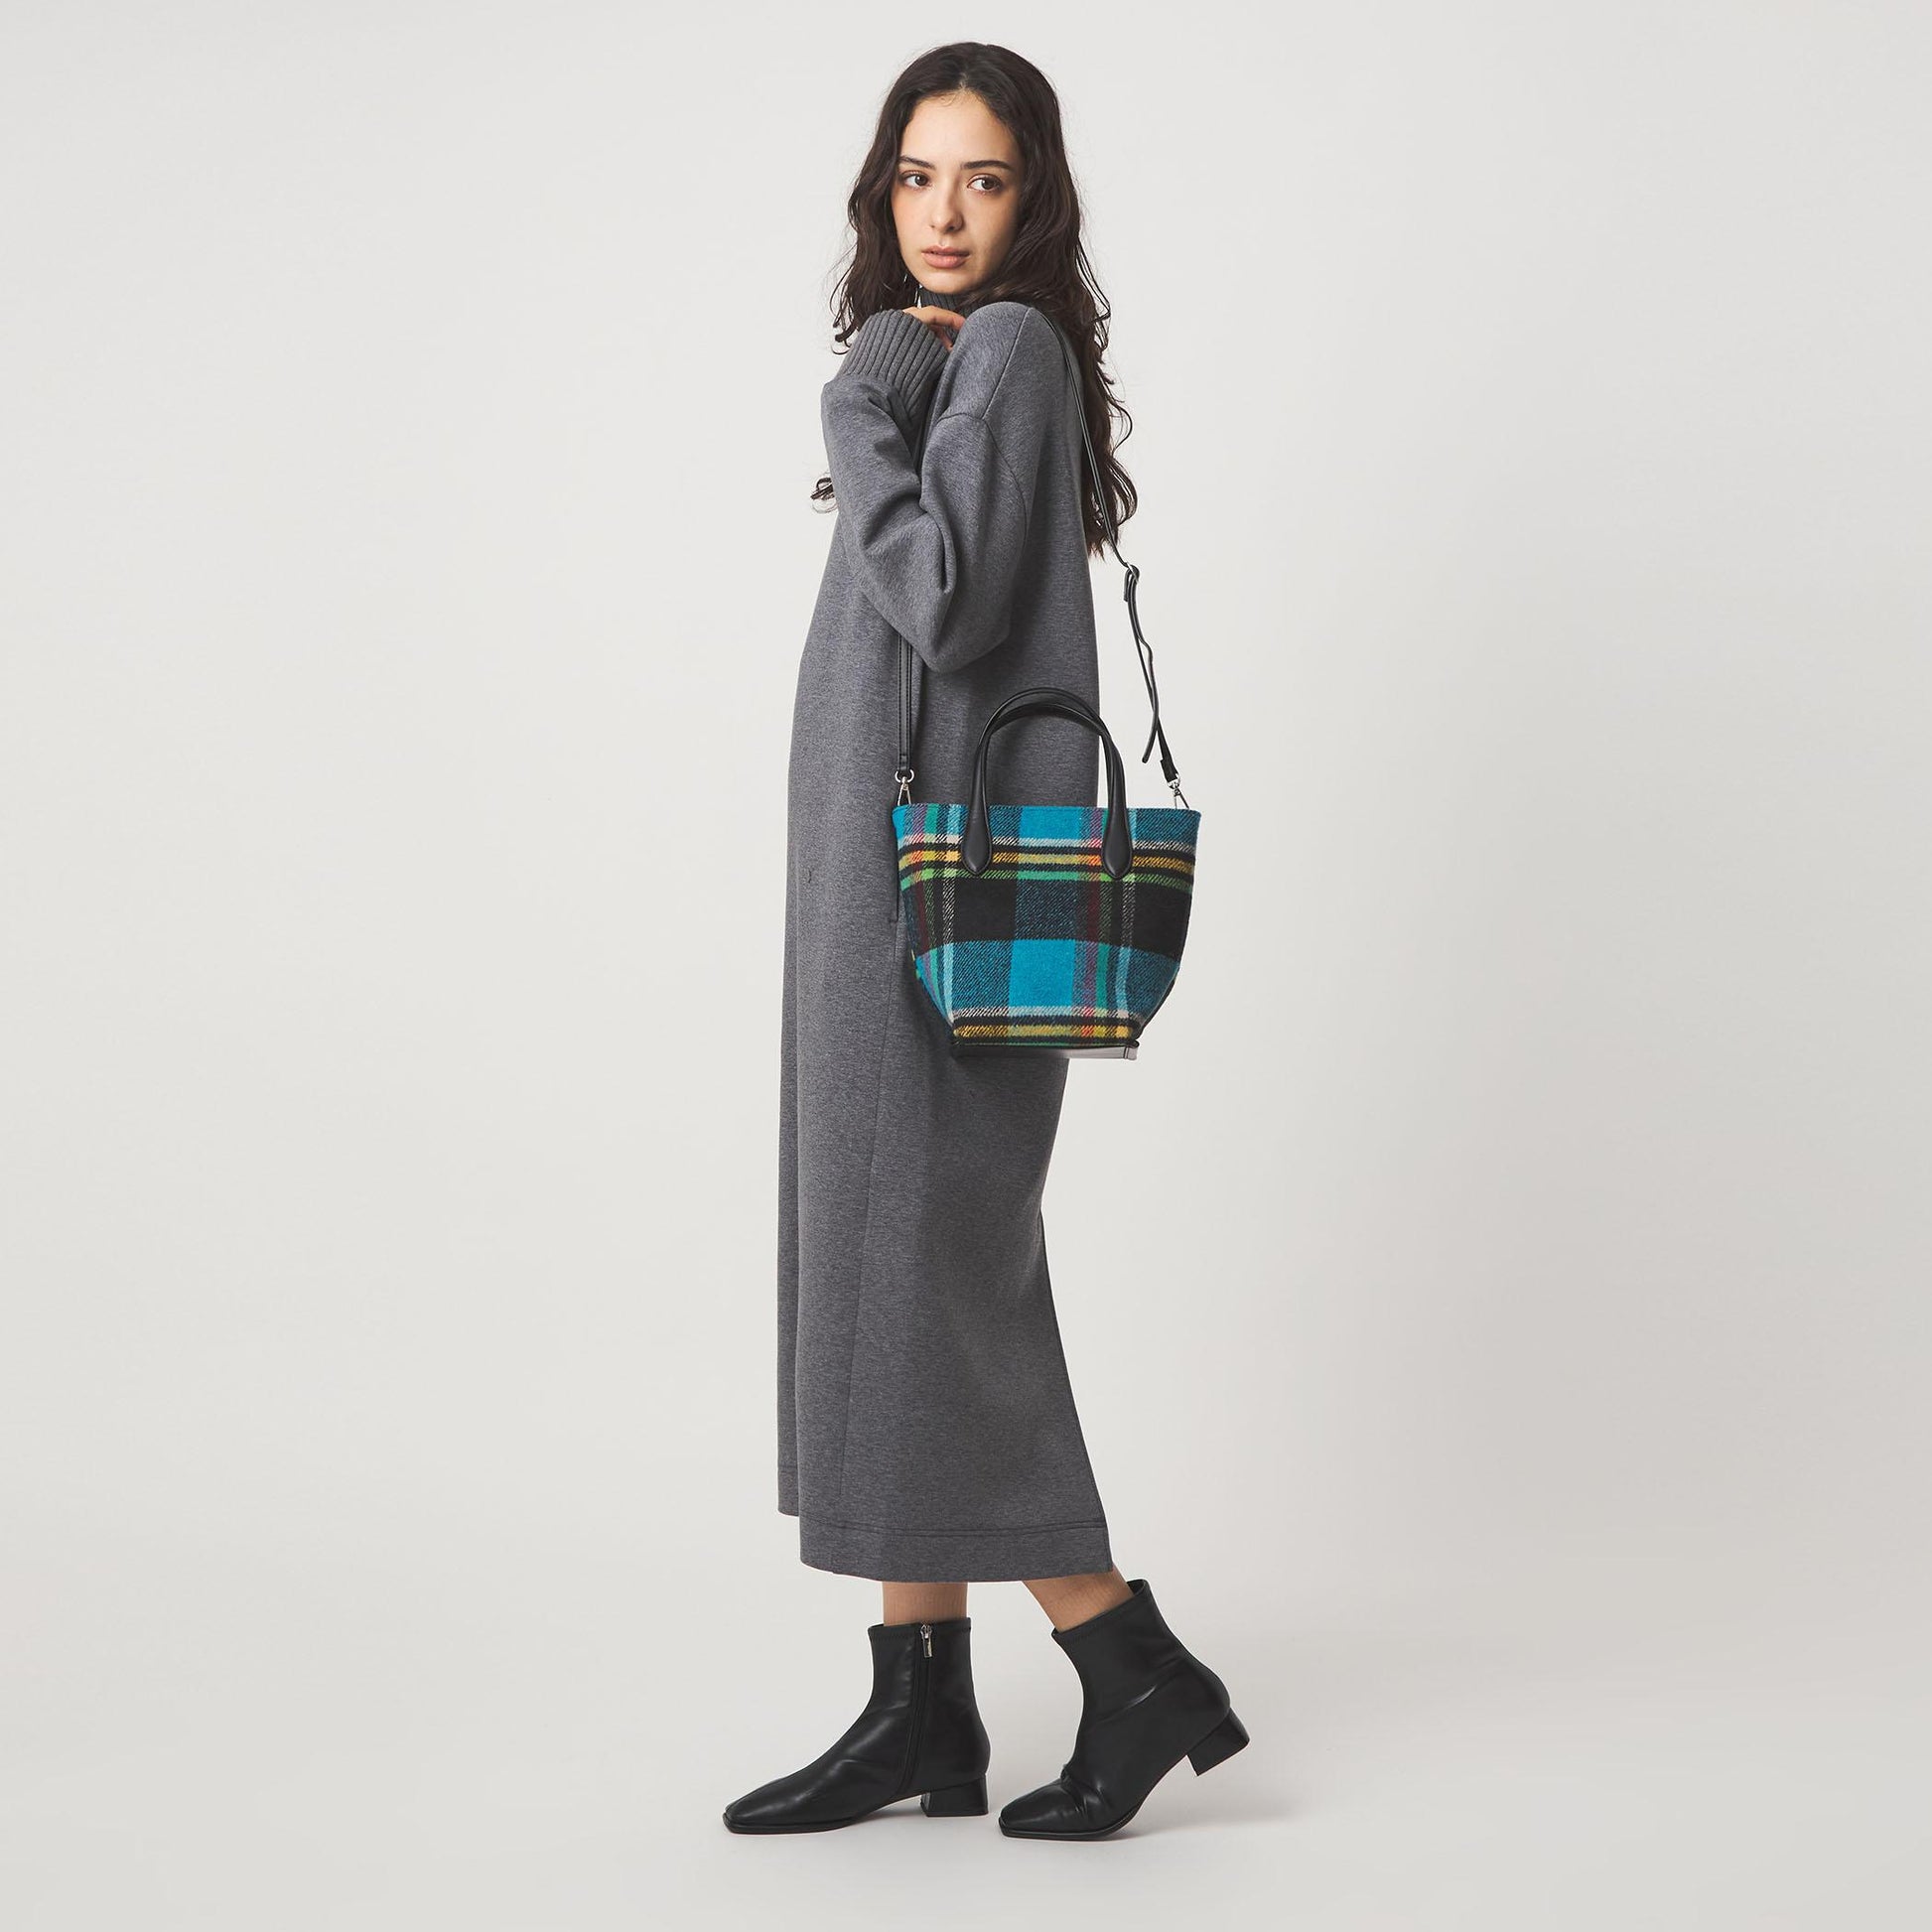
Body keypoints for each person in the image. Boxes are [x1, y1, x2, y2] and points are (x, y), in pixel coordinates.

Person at [725, 43, 1246, 1841]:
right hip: (873, 894)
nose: (942, 214)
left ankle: (1128, 1658)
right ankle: (920, 1706)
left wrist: (856, 401)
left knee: (934, 1287)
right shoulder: (954, 359)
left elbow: (939, 604)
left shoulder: (994, 353)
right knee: (887, 1288)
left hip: (927, 914)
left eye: (984, 179)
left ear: (1034, 201)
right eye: (916, 177)